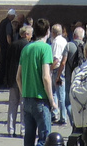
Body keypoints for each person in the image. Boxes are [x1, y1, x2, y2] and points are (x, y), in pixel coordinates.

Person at [18, 18, 59, 146]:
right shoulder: (46, 48)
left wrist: (24, 92)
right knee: (45, 139)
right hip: (41, 99)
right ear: (48, 31)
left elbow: (18, 77)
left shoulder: (26, 48)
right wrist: (52, 100)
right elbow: (46, 76)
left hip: (27, 98)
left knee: (28, 138)